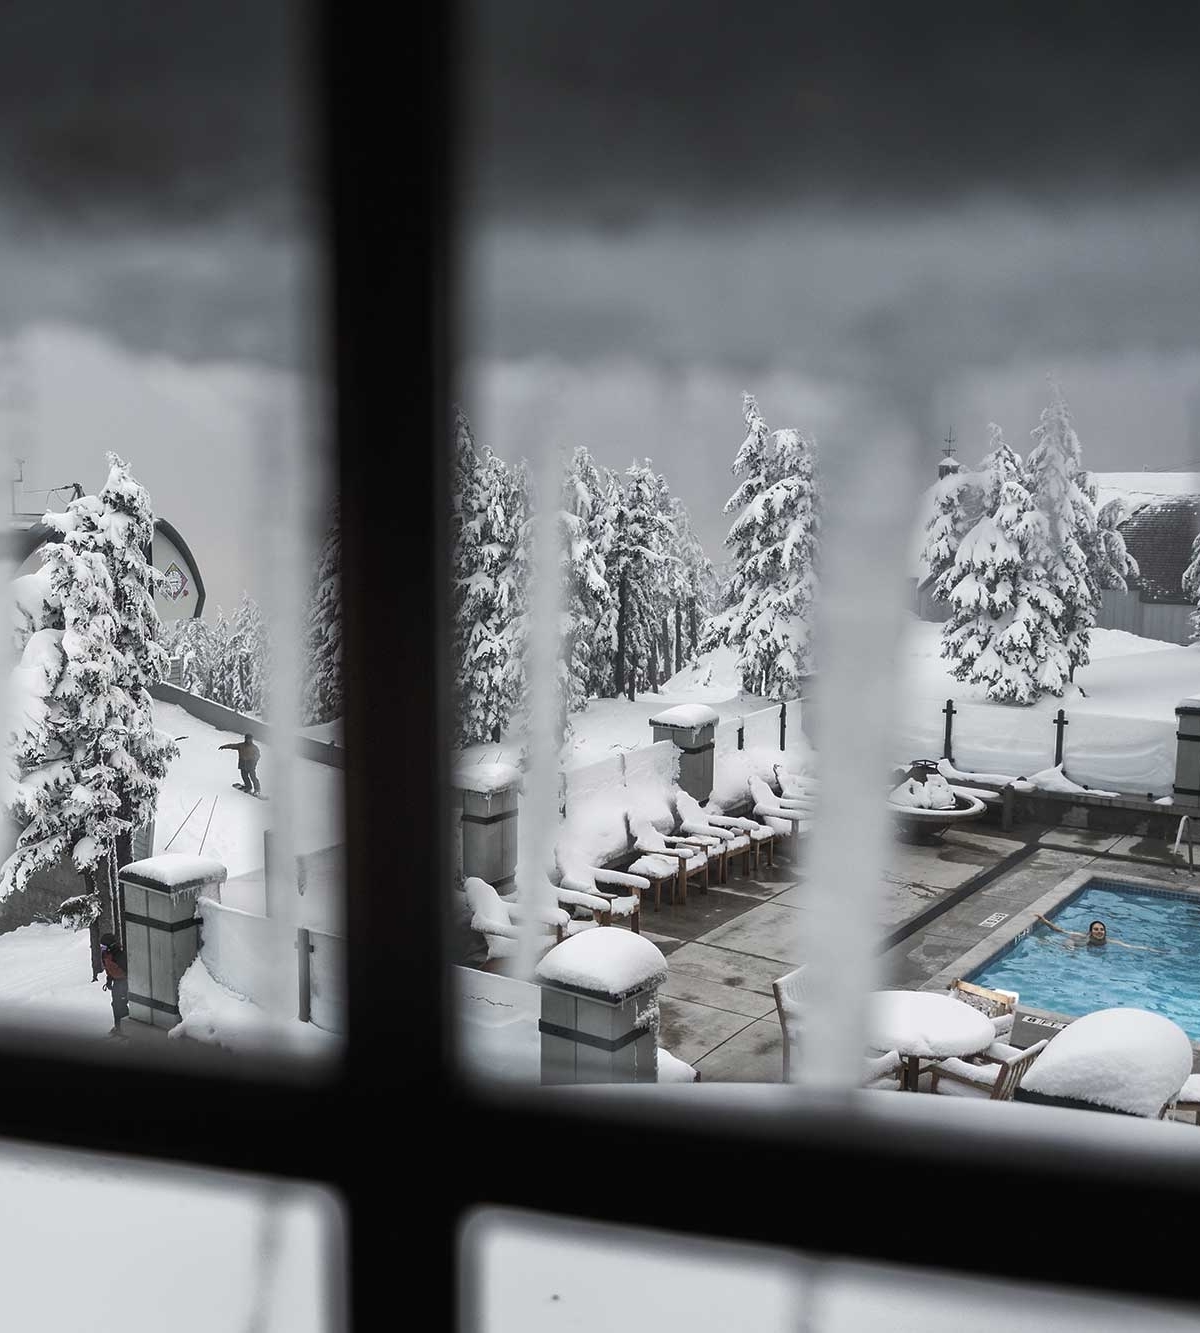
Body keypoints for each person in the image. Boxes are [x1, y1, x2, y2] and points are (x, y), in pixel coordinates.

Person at [1034, 915, 1157, 952]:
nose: (1099, 931)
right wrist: (1045, 921)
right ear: (1091, 931)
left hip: (1083, 948)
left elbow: (1130, 946)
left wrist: (1150, 949)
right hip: (1074, 942)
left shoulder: (1109, 941)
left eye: (1101, 929)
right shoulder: (1084, 936)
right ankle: (1047, 943)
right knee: (1069, 947)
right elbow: (1061, 931)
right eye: (1096, 929)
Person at [99, 931, 129, 1035]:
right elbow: (109, 969)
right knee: (115, 1004)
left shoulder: (119, 955)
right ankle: (118, 1027)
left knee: (122, 1004)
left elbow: (126, 970)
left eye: (103, 946)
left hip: (124, 981)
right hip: (116, 981)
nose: (102, 948)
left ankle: (127, 1028)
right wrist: (109, 980)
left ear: (110, 945)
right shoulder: (105, 954)